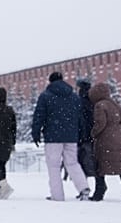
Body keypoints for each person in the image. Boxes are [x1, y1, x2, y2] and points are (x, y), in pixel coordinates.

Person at [31, 71, 90, 201]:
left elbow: (39, 116)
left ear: (50, 81)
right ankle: (83, 187)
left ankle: (57, 195)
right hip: (71, 136)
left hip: (53, 137)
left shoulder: (45, 96)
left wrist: (35, 133)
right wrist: (81, 133)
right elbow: (80, 118)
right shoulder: (74, 97)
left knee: (53, 166)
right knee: (73, 162)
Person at [88, 82, 121, 201]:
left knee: (100, 166)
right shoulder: (114, 104)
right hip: (119, 138)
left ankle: (99, 193)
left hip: (105, 140)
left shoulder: (100, 105)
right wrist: (116, 130)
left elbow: (100, 123)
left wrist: (93, 134)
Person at [76, 78, 98, 190]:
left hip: (82, 137)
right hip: (93, 136)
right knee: (94, 162)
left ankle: (84, 188)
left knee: (82, 163)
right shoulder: (94, 101)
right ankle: (100, 186)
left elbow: (79, 120)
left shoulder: (79, 101)